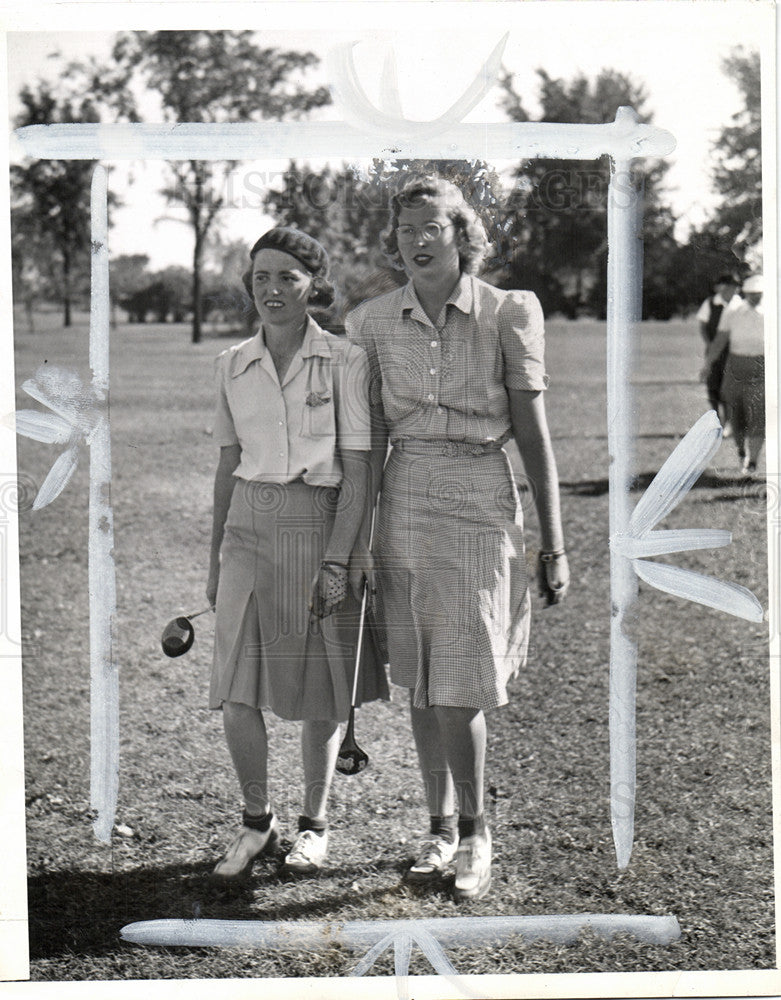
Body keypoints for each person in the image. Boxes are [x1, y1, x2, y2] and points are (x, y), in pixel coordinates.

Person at [345, 176, 570, 901]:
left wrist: (553, 542)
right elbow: (369, 443)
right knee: (417, 680)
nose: (415, 240)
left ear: (460, 234)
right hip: (402, 499)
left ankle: (476, 833)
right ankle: (438, 827)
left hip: (478, 496)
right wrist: (354, 541)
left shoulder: (509, 311)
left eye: (430, 227)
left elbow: (533, 436)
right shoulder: (372, 323)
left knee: (461, 681)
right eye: (405, 228)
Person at [207, 227, 387, 880]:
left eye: (287, 276)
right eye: (260, 278)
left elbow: (360, 469)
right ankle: (258, 822)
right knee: (233, 689)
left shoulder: (344, 360)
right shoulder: (230, 363)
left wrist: (340, 560)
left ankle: (314, 823)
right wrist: (213, 557)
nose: (272, 290)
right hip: (248, 531)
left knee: (319, 693)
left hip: (318, 526)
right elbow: (228, 463)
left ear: (315, 285)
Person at [704, 273, 765, 476]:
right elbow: (720, 340)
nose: (757, 297)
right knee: (735, 413)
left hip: (761, 366)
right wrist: (707, 365)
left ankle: (753, 461)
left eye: (760, 293)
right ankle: (741, 453)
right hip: (736, 365)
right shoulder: (733, 311)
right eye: (753, 293)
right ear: (746, 293)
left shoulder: (772, 309)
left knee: (758, 414)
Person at [697, 273, 740, 432]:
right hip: (715, 348)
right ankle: (718, 419)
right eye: (728, 286)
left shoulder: (739, 304)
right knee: (713, 385)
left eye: (734, 286)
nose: (731, 289)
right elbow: (702, 326)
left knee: (728, 387)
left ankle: (728, 421)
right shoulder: (710, 303)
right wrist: (710, 344)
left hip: (734, 351)